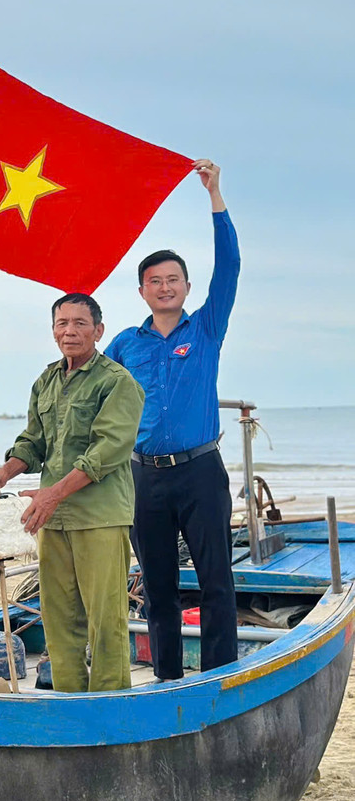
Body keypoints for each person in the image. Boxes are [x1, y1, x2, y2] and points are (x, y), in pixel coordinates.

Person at [104, 158, 239, 679]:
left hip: (201, 473)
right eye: (154, 281)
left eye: (173, 279)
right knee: (157, 585)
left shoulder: (205, 328)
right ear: (142, 291)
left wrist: (215, 198)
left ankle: (219, 676)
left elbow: (229, 267)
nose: (164, 287)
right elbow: (94, 401)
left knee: (216, 582)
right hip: (143, 477)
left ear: (185, 286)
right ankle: (166, 679)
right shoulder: (122, 344)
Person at [0, 293, 144, 692]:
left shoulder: (117, 383)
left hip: (100, 516)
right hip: (52, 518)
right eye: (62, 323)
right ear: (53, 330)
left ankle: (109, 705)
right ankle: (71, 701)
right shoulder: (47, 380)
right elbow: (34, 443)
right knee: (58, 619)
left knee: (106, 619)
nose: (70, 331)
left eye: (80, 323)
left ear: (98, 331)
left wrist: (52, 493)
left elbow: (106, 452)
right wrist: (4, 472)